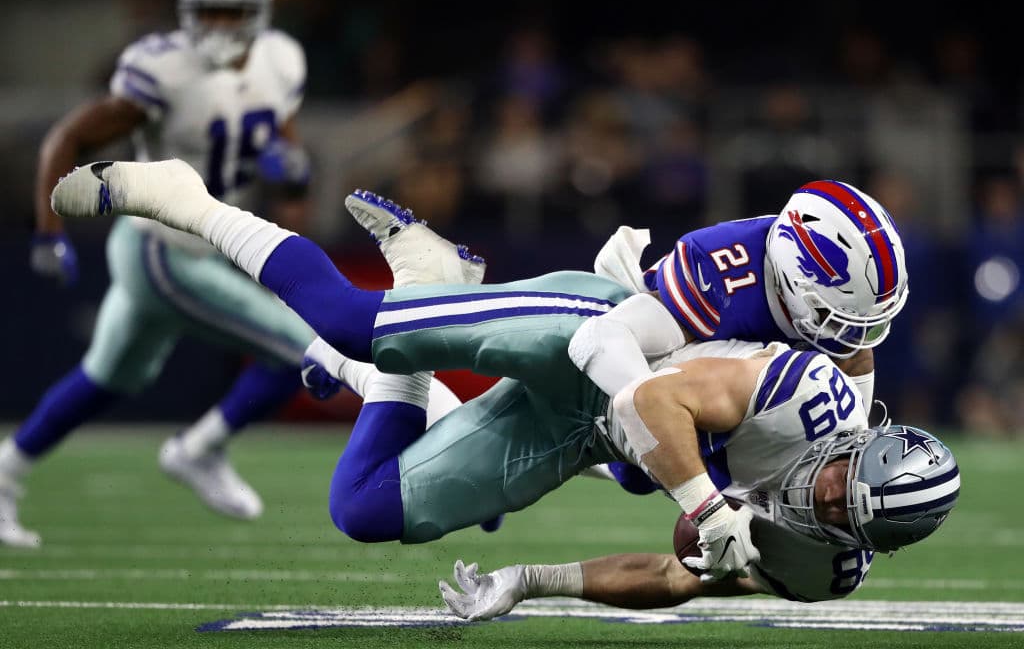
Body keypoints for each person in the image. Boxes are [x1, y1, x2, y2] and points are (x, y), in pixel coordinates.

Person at [49, 159, 959, 594]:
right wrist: (709, 501)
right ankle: (186, 196)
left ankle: (425, 286)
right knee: (350, 326)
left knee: (365, 510)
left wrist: (532, 578)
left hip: (607, 424)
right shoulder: (747, 296)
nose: (828, 502)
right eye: (841, 491)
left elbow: (677, 578)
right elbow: (623, 370)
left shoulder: (828, 547)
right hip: (591, 336)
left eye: (844, 512)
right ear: (797, 280)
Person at [0, 0, 316, 548]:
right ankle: (199, 449)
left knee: (108, 377)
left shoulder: (281, 61)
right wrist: (48, 230)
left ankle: (5, 473)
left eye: (233, 13)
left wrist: (293, 177)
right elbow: (66, 137)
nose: (220, 26)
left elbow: (289, 161)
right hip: (161, 248)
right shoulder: (163, 68)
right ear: (187, 12)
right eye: (209, 12)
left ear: (260, 14)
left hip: (200, 246)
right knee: (306, 351)